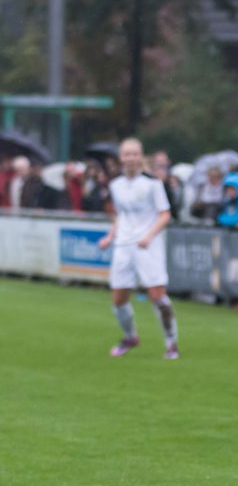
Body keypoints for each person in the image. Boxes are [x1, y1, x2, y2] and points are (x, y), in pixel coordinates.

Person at [97, 137, 179, 360]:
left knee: (157, 296)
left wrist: (149, 236)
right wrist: (110, 236)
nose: (131, 158)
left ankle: (171, 343)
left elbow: (165, 214)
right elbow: (119, 215)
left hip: (148, 246)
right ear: (121, 158)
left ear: (141, 157)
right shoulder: (116, 185)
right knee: (119, 300)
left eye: (135, 154)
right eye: (127, 154)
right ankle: (130, 337)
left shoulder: (152, 184)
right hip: (123, 246)